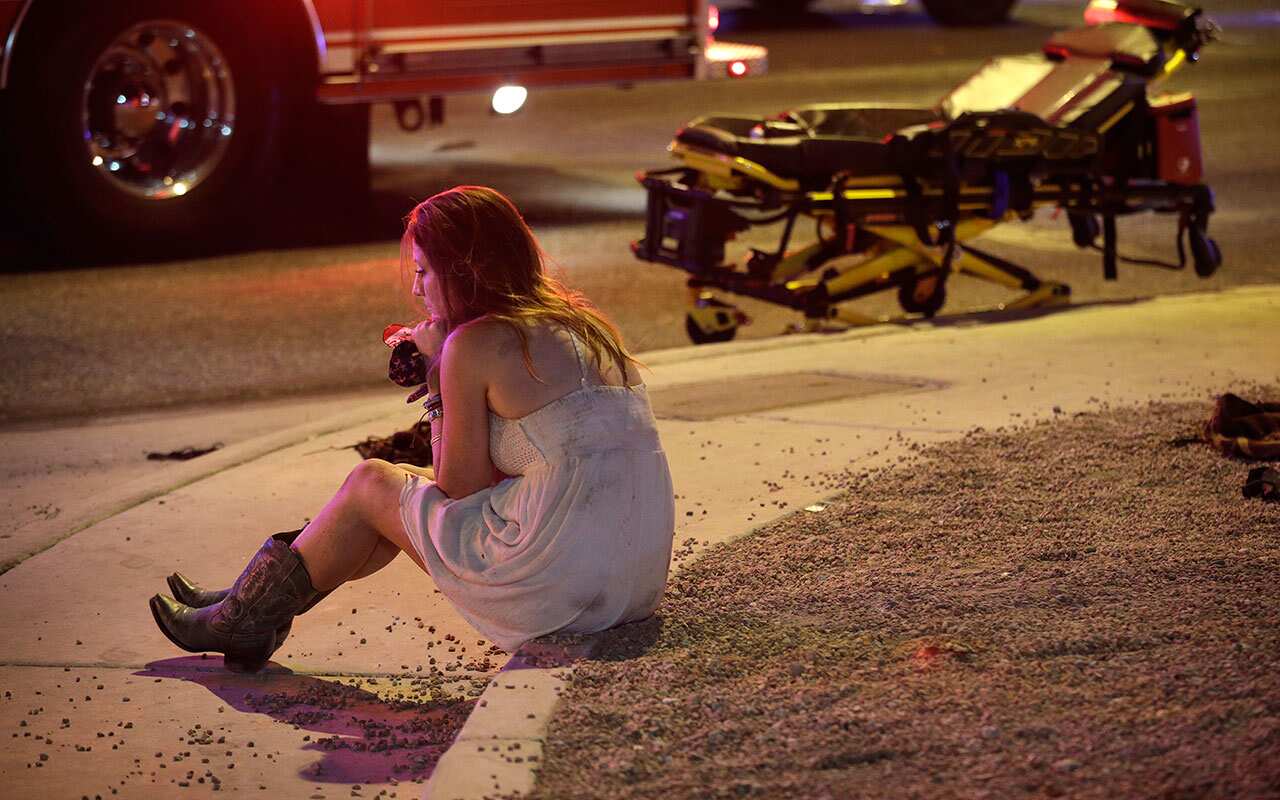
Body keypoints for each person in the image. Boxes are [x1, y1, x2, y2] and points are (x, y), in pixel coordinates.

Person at [149, 186, 676, 672]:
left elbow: (458, 490)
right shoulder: (585, 326)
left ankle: (244, 615)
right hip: (632, 581)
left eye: (424, 271)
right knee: (391, 493)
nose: (416, 287)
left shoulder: (473, 345)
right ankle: (245, 608)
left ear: (465, 268)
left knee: (371, 484)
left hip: (558, 587)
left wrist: (438, 379)